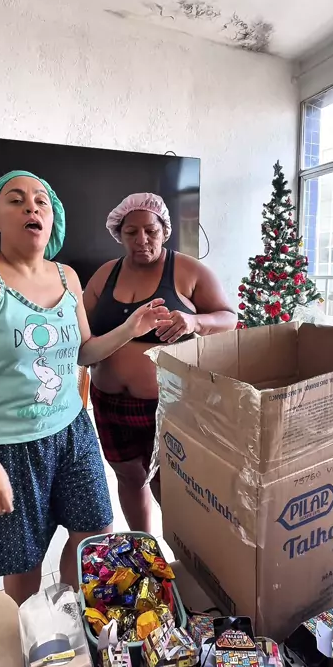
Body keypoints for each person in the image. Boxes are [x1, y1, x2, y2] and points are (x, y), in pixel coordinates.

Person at [0, 172, 171, 606]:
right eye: (16, 200)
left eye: (41, 201)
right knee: (23, 563)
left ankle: (64, 611)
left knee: (95, 533)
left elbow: (84, 351)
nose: (32, 207)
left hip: (73, 431)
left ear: (52, 218)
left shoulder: (67, 276)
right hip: (8, 445)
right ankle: (29, 630)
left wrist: (130, 328)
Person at [84, 192, 237, 533]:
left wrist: (194, 321)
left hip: (167, 405)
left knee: (170, 481)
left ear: (165, 230)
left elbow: (229, 318)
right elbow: (83, 331)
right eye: (131, 232)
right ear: (118, 234)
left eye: (150, 231)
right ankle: (143, 546)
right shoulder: (105, 275)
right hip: (109, 402)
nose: (141, 240)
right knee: (128, 476)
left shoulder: (188, 270)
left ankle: (187, 549)